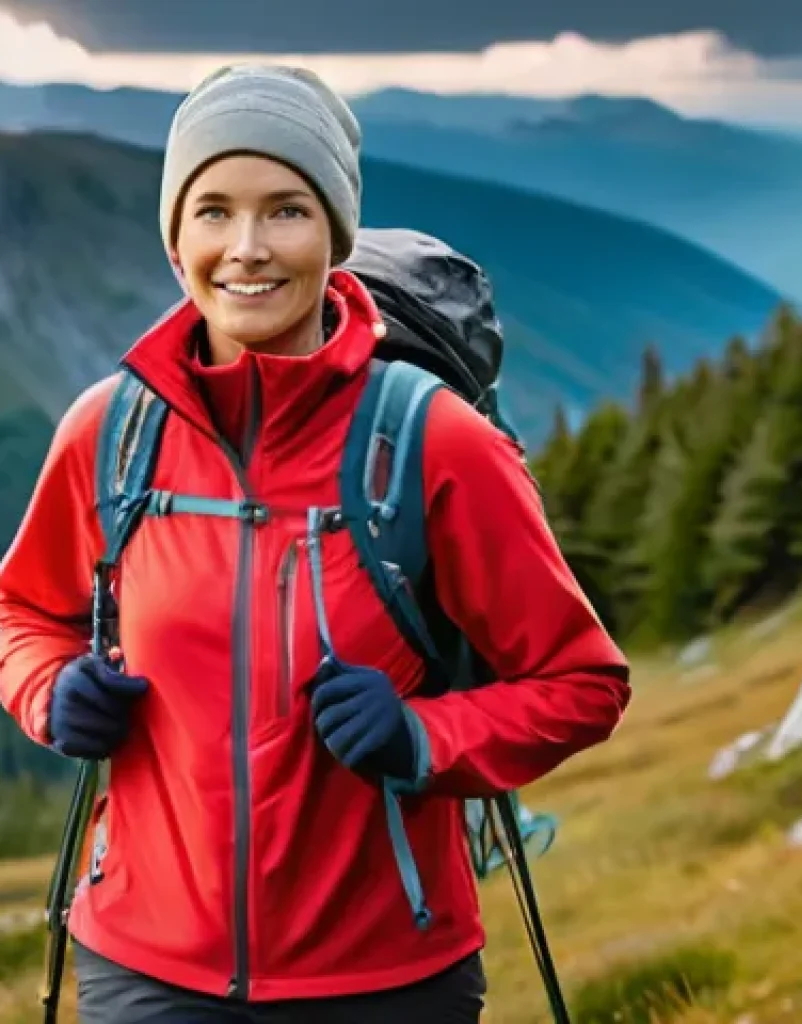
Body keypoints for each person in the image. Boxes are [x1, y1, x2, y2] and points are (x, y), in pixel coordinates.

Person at [0, 63, 631, 1023]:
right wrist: (50, 688)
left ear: (335, 234)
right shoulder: (110, 433)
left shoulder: (434, 441)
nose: (246, 249)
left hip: (384, 977)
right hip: (146, 970)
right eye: (212, 211)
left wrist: (422, 735)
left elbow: (582, 684)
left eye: (286, 210)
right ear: (176, 239)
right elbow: (21, 610)